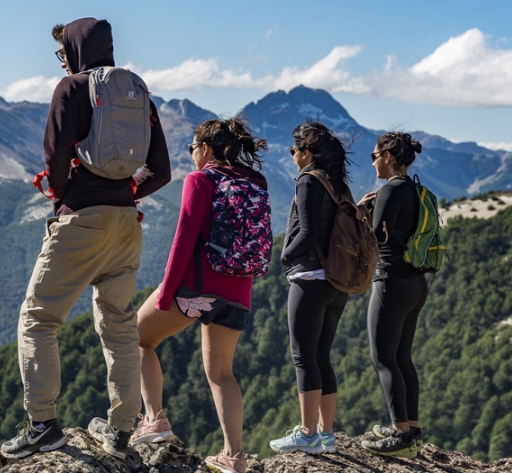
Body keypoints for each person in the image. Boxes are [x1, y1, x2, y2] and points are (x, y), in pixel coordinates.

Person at [0, 18, 171, 460]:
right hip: (126, 224)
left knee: (39, 319)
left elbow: (55, 155)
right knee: (118, 325)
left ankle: (42, 424)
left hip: (82, 221)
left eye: (63, 53)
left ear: (75, 49)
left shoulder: (72, 89)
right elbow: (162, 169)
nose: (63, 62)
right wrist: (125, 192)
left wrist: (64, 196)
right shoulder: (137, 91)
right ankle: (119, 430)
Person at [129, 118, 268, 473]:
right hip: (239, 289)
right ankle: (234, 457)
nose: (191, 155)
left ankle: (154, 420)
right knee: (222, 373)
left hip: (197, 286)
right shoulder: (255, 181)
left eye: (192, 148)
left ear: (205, 149)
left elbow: (184, 238)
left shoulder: (200, 179)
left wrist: (166, 294)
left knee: (137, 339)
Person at [269, 122, 353, 454]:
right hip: (336, 281)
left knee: (303, 356)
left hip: (310, 278)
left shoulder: (308, 180)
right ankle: (327, 436)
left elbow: (305, 232)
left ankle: (306, 434)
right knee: (322, 355)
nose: (292, 157)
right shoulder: (338, 184)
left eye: (293, 151)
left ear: (305, 152)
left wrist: (284, 255)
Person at [358, 132, 427, 458]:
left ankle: (398, 434)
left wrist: (361, 213)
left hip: (390, 281)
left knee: (383, 358)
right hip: (415, 283)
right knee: (402, 358)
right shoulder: (415, 189)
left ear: (388, 155)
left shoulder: (389, 190)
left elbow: (376, 238)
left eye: (374, 155)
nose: (372, 161)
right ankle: (411, 428)